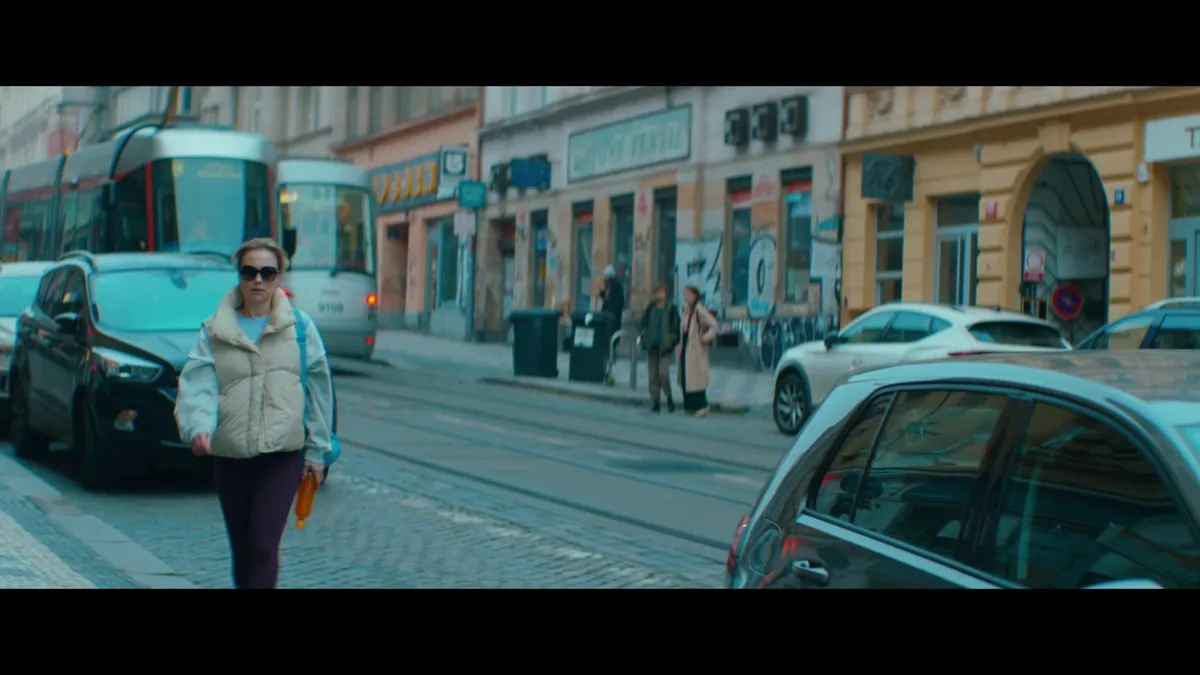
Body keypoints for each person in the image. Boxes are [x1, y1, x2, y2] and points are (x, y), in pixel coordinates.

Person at [174, 237, 335, 589]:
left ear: (279, 277)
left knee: (263, 544)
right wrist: (199, 426)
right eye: (249, 272)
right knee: (242, 549)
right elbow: (199, 382)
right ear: (239, 276)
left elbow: (319, 391)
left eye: (267, 272)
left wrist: (317, 451)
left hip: (281, 455)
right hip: (231, 455)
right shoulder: (214, 330)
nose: (258, 280)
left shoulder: (301, 328)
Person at [639, 282, 680, 412]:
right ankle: (655, 400)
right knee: (653, 375)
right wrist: (645, 335)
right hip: (652, 346)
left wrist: (671, 341)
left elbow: (676, 328)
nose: (659, 295)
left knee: (663, 374)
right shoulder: (651, 307)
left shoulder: (671, 308)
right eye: (657, 292)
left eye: (662, 292)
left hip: (665, 347)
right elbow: (643, 323)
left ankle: (669, 397)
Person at [678, 284, 719, 417]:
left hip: (696, 349)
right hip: (686, 348)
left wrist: (705, 338)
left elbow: (714, 325)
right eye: (685, 294)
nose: (686, 297)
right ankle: (689, 405)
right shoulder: (686, 310)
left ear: (695, 296)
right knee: (686, 378)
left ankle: (701, 406)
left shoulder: (699, 310)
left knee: (696, 380)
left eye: (688, 294)